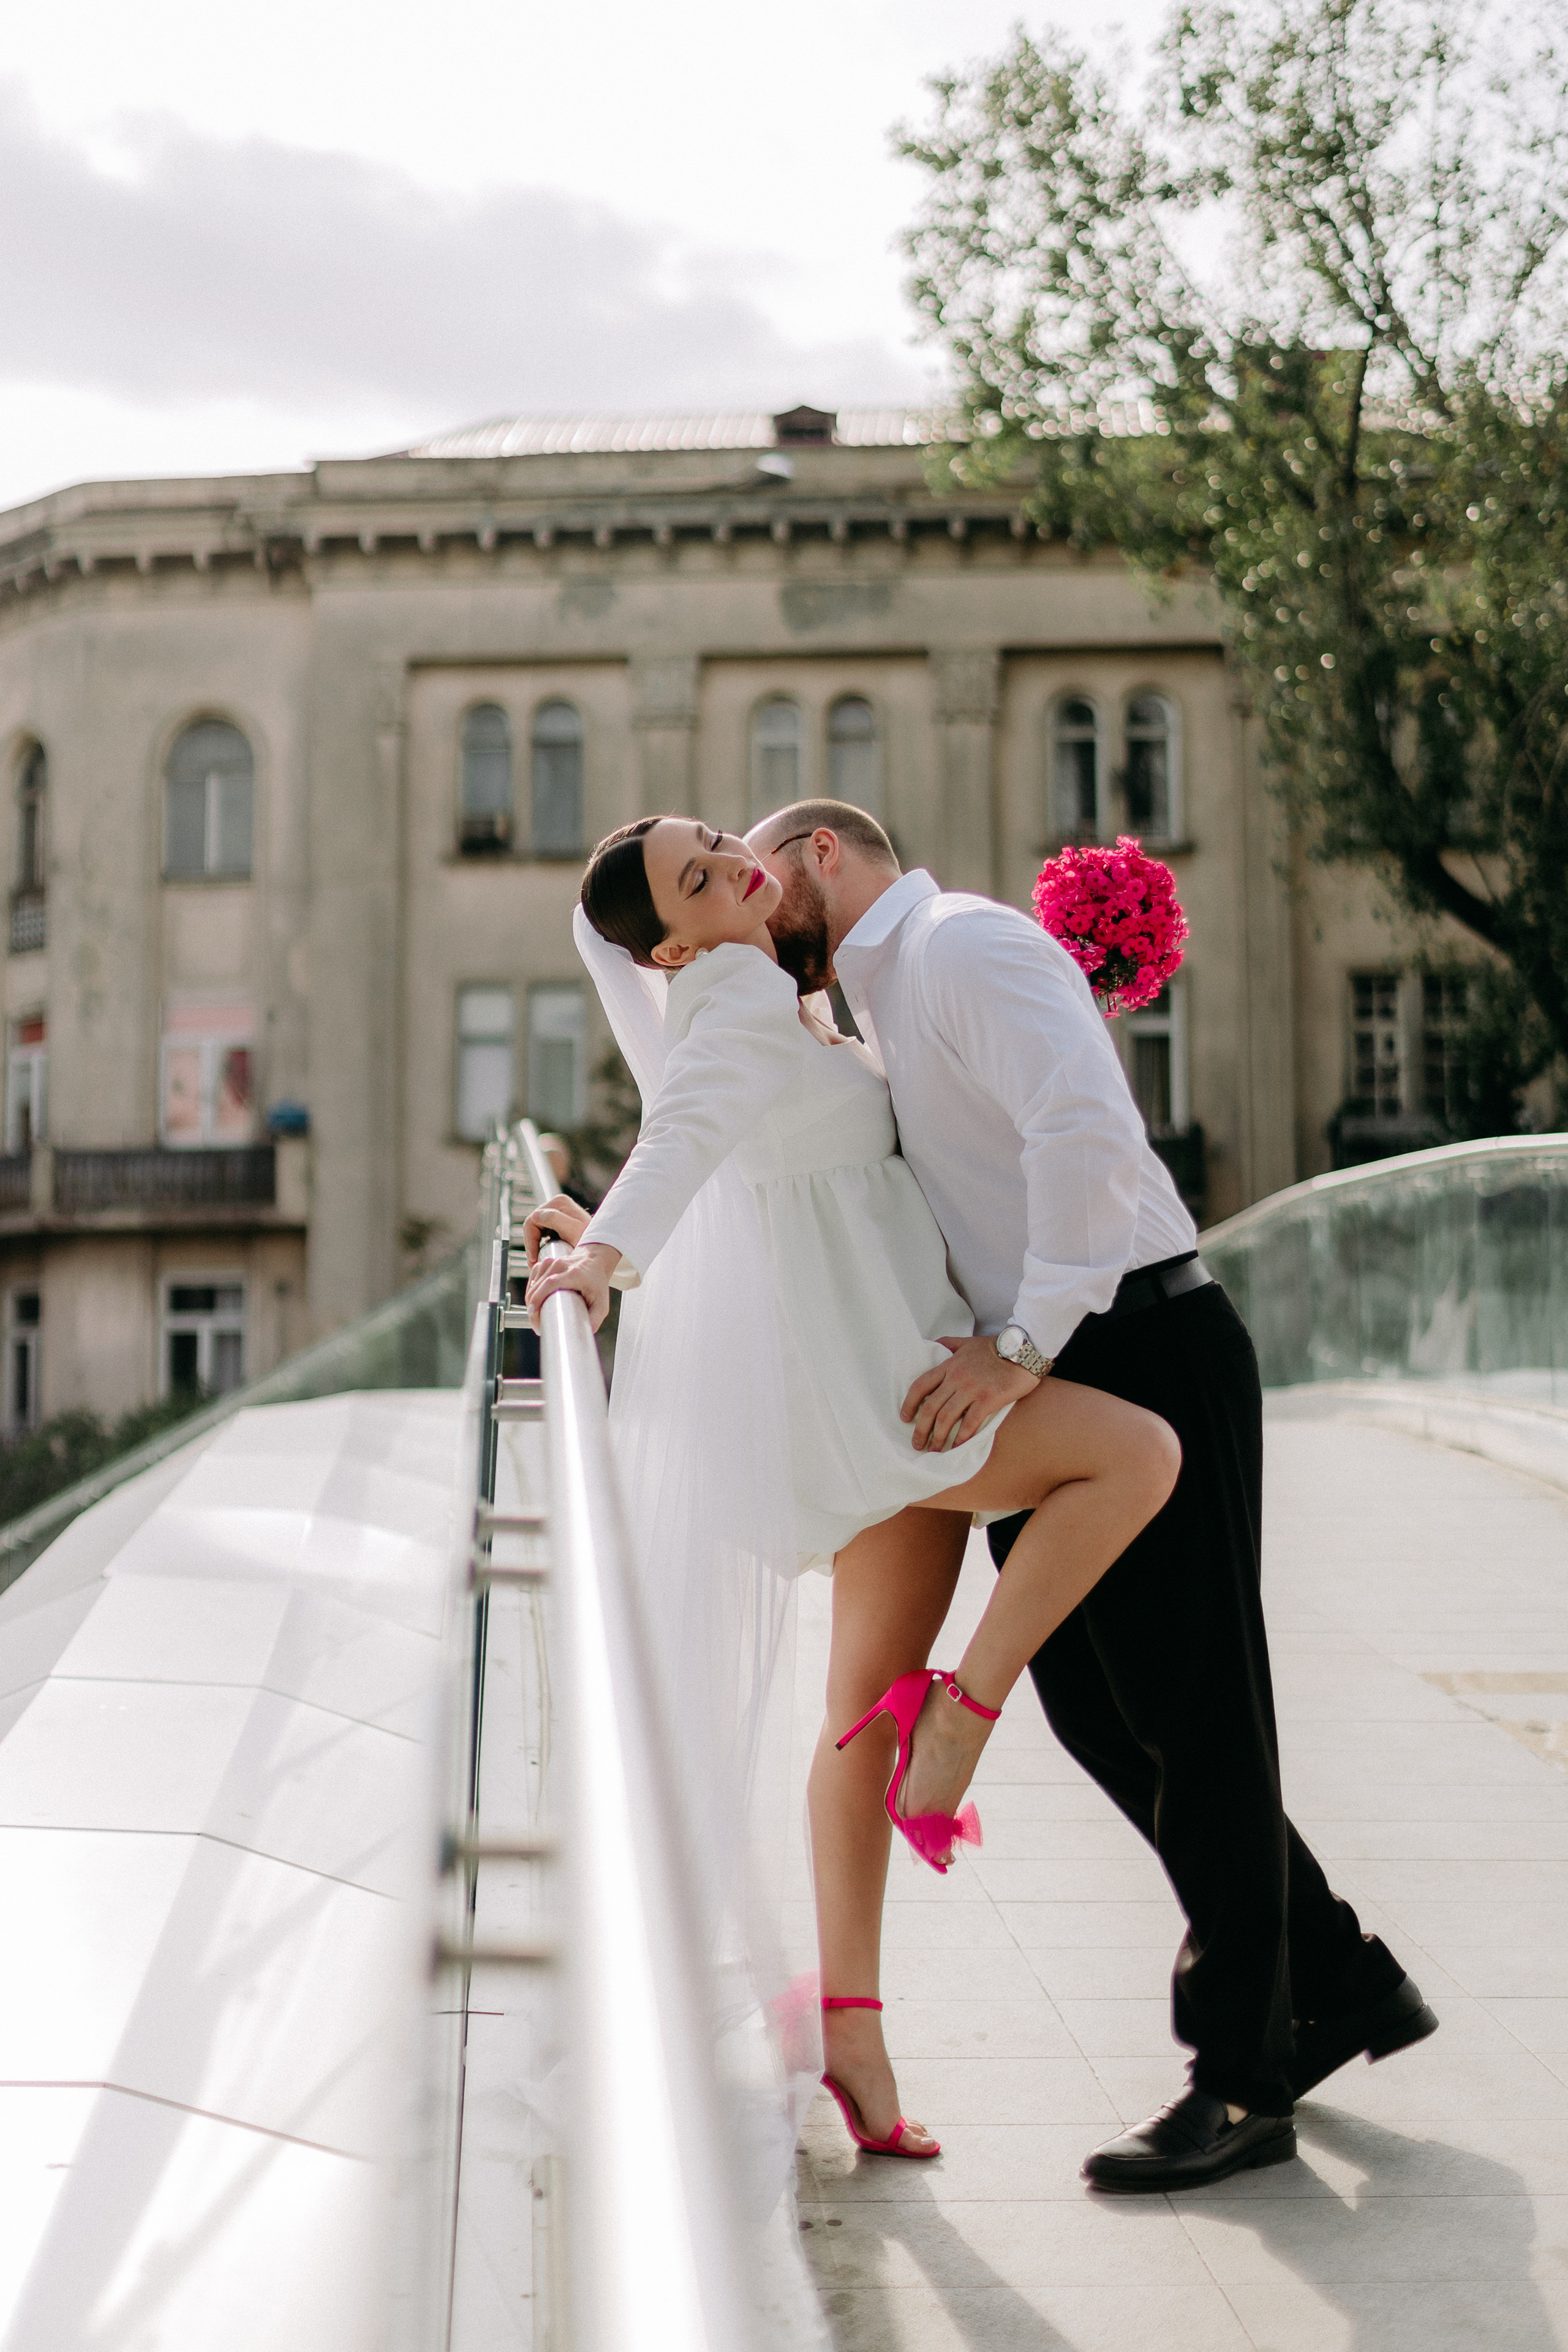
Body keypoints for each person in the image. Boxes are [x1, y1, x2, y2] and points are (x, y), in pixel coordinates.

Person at [745, 797, 1439, 2192]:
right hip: (1053, 1364)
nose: (746, 918)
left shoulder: (958, 947)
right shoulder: (876, 999)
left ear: (821, 855)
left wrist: (1019, 1348)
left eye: (752, 883)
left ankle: (1244, 2079)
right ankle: (1342, 1978)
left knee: (1195, 1716)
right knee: (1104, 1716)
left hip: (1126, 1342)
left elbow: (1084, 1129)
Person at [524, 814, 1180, 2161]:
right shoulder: (741, 1004)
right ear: (670, 947)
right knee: (1136, 1456)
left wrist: (603, 1232)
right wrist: (599, 1267)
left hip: (874, 1372)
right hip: (893, 1396)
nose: (728, 867)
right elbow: (686, 1135)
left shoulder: (781, 998)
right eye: (697, 882)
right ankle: (967, 1715)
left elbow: (728, 1166)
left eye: (715, 843)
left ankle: (851, 2031)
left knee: (847, 1720)